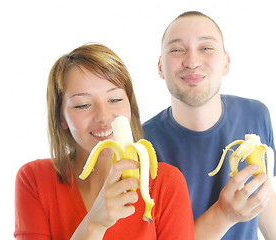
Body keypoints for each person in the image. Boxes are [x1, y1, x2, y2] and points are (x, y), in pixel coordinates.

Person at [14, 43, 195, 239]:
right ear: (61, 118)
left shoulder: (166, 183)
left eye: (115, 100)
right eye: (83, 105)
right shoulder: (35, 180)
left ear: (130, 107)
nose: (103, 116)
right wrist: (94, 223)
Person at [143, 11, 276, 239]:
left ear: (226, 63)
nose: (191, 61)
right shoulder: (142, 145)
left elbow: (262, 192)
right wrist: (224, 215)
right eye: (177, 50)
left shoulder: (256, 115)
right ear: (161, 67)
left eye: (206, 48)